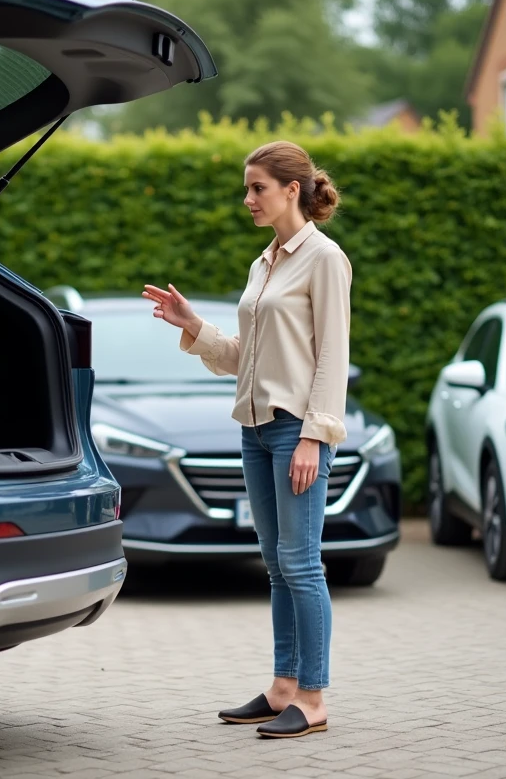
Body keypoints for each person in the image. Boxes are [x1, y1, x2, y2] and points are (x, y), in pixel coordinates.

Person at [143, 140, 351, 739]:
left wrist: (314, 437)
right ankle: (283, 687)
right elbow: (245, 358)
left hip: (295, 432)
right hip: (254, 430)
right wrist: (194, 326)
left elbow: (332, 358)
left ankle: (312, 698)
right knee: (276, 564)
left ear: (293, 189)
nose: (247, 198)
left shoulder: (324, 259)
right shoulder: (263, 265)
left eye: (257, 187)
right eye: (247, 187)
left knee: (302, 563)